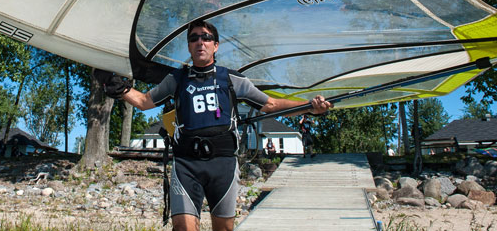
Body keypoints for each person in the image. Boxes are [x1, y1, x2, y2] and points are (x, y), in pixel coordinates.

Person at [103, 20, 331, 231]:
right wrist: (117, 87)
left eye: (206, 37)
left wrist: (309, 106)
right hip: (186, 164)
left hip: (223, 164)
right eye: (193, 38)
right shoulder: (177, 79)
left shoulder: (232, 79)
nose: (200, 42)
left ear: (216, 45)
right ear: (189, 47)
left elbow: (270, 104)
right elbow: (144, 101)